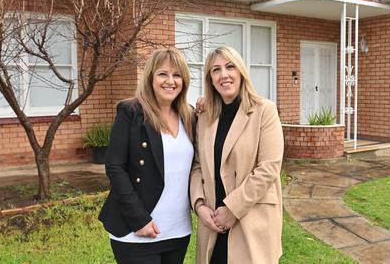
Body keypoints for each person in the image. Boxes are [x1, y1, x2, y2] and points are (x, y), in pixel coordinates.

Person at [99, 47, 195, 264]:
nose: (170, 81)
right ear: (151, 77)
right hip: (136, 230)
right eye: (163, 74)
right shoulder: (131, 112)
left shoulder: (189, 116)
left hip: (177, 230)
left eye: (177, 75)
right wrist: (139, 220)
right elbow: (115, 167)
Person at [190, 46, 284, 264]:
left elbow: (268, 168)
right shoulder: (204, 117)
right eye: (216, 70)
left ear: (241, 71)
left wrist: (232, 209)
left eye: (230, 67)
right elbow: (197, 166)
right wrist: (199, 205)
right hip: (212, 222)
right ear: (210, 79)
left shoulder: (264, 110)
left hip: (251, 218)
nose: (224, 75)